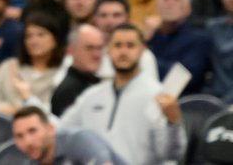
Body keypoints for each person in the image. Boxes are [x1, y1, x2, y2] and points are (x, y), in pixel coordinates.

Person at [59, 24, 185, 165]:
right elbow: (61, 133)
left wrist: (173, 123)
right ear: (108, 49)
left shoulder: (159, 96)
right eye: (117, 45)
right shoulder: (91, 96)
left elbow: (170, 154)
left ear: (143, 50)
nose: (123, 52)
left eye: (130, 45)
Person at [0, 13, 65, 115]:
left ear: (55, 39)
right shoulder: (9, 66)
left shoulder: (62, 72)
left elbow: (51, 111)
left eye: (41, 35)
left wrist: (26, 102)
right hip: (0, 121)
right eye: (28, 36)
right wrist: (15, 111)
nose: (34, 41)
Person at [146, 0, 211, 95]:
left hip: (183, 101)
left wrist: (145, 59)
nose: (170, 4)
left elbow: (183, 78)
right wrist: (144, 40)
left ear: (188, 8)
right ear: (157, 6)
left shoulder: (198, 39)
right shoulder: (148, 36)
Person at [12, 105, 130, 165]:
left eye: (32, 131)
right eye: (19, 136)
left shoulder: (78, 140)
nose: (27, 142)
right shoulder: (30, 161)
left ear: (50, 129)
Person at [50, 24, 106, 118]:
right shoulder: (67, 91)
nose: (96, 55)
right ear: (71, 50)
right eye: (89, 48)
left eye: (99, 48)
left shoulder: (98, 83)